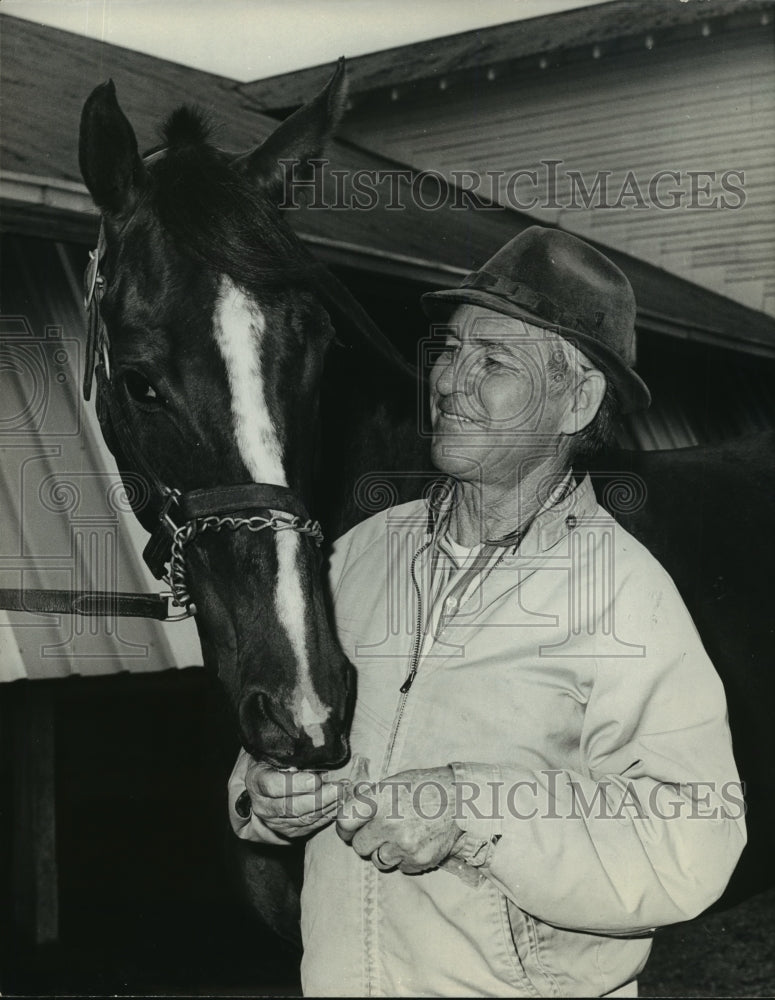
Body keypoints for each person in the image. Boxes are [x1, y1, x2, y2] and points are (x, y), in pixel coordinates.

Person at [228, 226, 745, 997]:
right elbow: (280, 736)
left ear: (577, 400)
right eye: (448, 349)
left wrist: (471, 808)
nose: (447, 380)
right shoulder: (357, 556)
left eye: (494, 359)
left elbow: (690, 837)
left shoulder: (620, 596)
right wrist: (268, 795)